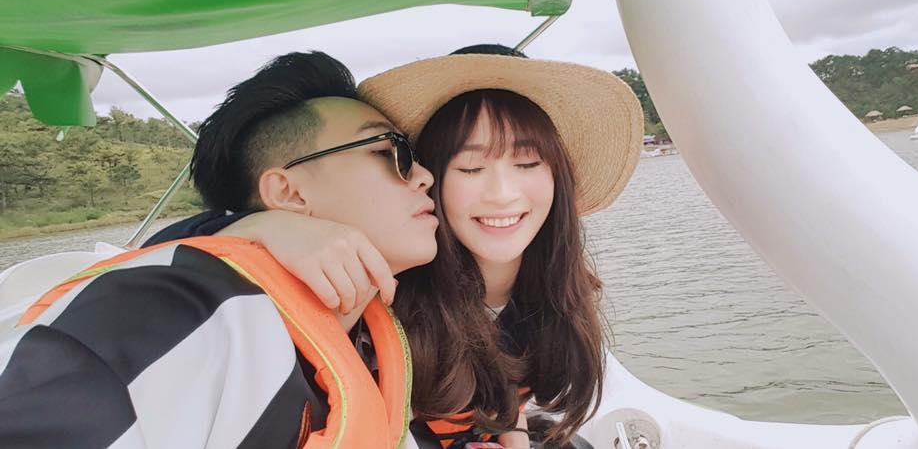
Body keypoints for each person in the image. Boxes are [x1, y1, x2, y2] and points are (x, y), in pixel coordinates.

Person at [148, 45, 644, 448]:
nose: (502, 193)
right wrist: (261, 227)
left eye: (528, 163)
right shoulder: (390, 281)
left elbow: (508, 386)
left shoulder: (556, 282)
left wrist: (512, 436)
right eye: (470, 168)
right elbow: (164, 258)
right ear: (435, 178)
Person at [0, 51, 439, 448]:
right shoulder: (172, 311)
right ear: (288, 192)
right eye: (388, 151)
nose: (424, 176)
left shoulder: (371, 335)